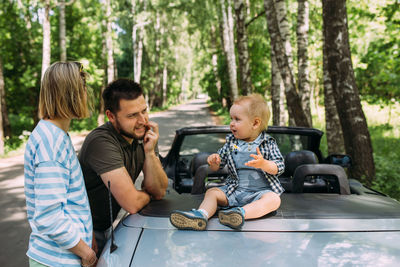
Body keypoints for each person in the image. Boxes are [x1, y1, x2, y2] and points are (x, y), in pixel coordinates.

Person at [78, 78, 168, 255]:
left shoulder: (144, 135)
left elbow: (158, 191)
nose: (143, 120)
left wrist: (150, 153)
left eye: (144, 111)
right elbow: (132, 203)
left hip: (105, 227)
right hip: (83, 234)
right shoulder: (101, 142)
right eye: (132, 115)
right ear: (111, 116)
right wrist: (146, 195)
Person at [170, 93, 285, 230]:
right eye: (231, 118)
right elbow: (218, 165)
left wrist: (264, 164)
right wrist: (214, 161)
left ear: (255, 123)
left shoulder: (268, 143)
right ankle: (201, 215)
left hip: (259, 193)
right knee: (212, 192)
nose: (231, 123)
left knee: (274, 199)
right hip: (233, 192)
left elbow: (279, 166)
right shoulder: (232, 143)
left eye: (237, 119)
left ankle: (240, 214)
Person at [24, 62, 97, 267]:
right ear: (70, 94)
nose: (86, 94)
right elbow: (49, 216)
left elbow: (70, 201)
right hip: (56, 260)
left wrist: (86, 237)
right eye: (83, 88)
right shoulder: (51, 142)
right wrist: (86, 253)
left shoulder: (56, 135)